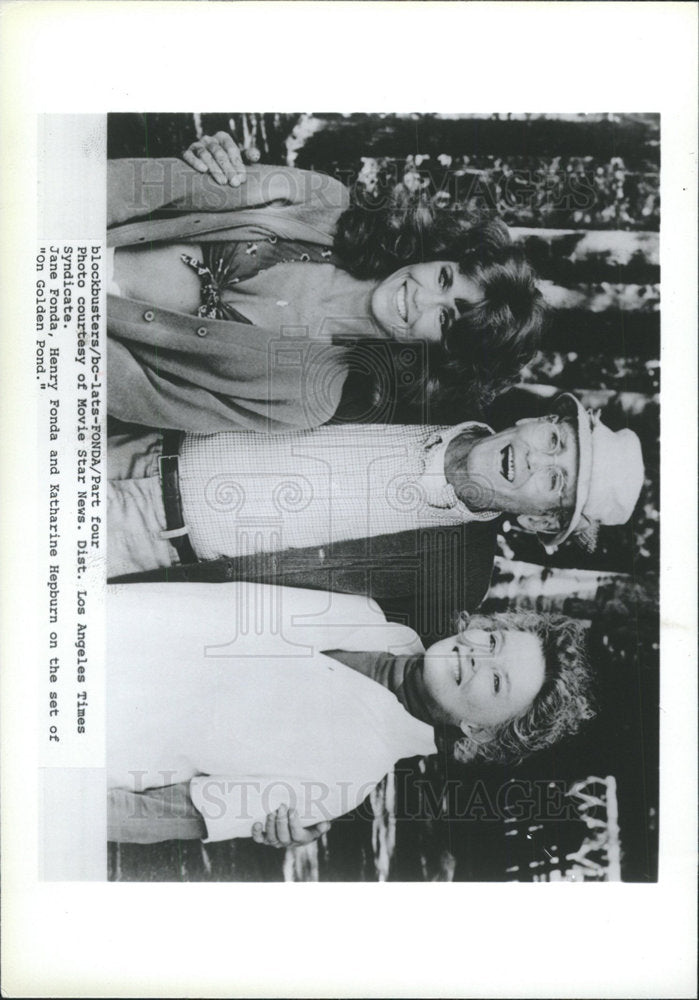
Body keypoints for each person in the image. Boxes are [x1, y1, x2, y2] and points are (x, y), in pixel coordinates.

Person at [107, 132, 545, 433]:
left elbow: (149, 397)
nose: (422, 296)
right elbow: (155, 188)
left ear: (439, 357)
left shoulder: (310, 398)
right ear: (437, 254)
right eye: (444, 278)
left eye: (446, 320)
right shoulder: (323, 200)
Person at [107, 393, 645, 633]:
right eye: (554, 439)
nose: (535, 457)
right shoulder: (437, 379)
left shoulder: (455, 579)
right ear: (534, 419)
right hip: (139, 428)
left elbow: (343, 653)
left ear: (537, 522)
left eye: (555, 479)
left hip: (150, 548)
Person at [106, 583, 595, 845]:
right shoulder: (364, 611)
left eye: (495, 681)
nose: (475, 655)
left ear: (480, 731)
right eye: (493, 641)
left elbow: (153, 815)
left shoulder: (342, 780)